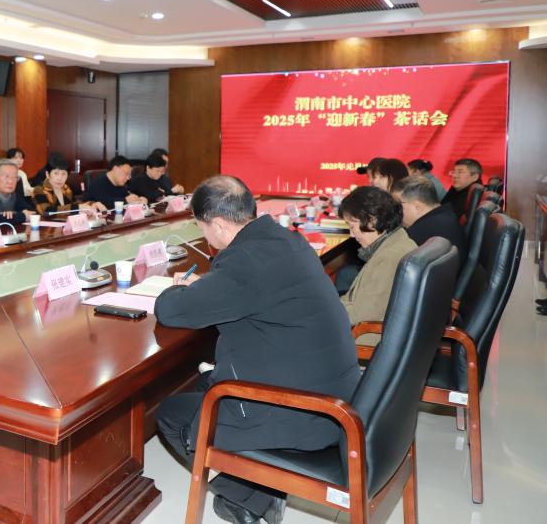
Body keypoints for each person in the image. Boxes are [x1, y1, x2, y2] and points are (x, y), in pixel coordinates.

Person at [154, 176, 360, 524]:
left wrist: (177, 289)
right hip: (337, 395)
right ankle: (261, 489)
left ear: (218, 224)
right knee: (205, 386)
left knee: (171, 413)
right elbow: (249, 290)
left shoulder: (244, 262)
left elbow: (172, 311)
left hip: (303, 412)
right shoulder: (285, 240)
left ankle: (247, 498)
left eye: (201, 226)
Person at [339, 186, 417, 330]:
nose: (351, 234)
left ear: (371, 221)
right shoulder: (398, 239)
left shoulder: (388, 258)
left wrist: (323, 309)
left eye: (352, 226)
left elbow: (360, 315)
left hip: (362, 338)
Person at [391, 175, 468, 259]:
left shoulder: (419, 232)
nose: (395, 211)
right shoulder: (446, 215)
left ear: (417, 207)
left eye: (398, 205)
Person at [32, 158, 106, 216]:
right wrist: (77, 208)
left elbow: (76, 204)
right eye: (56, 173)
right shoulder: (39, 190)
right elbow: (46, 212)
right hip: (47, 229)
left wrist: (92, 204)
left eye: (63, 174)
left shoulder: (66, 188)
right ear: (47, 174)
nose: (60, 178)